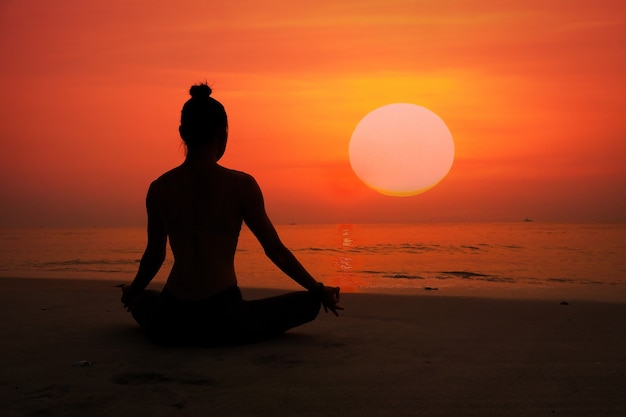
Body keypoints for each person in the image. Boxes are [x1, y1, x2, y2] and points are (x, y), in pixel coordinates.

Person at [121, 83, 342, 346]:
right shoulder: (241, 185)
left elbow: (154, 255)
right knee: (308, 303)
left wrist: (133, 291)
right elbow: (275, 250)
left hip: (171, 321)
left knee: (143, 299)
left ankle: (139, 299)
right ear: (223, 134)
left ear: (182, 133)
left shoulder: (159, 188)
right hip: (225, 319)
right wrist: (317, 289)